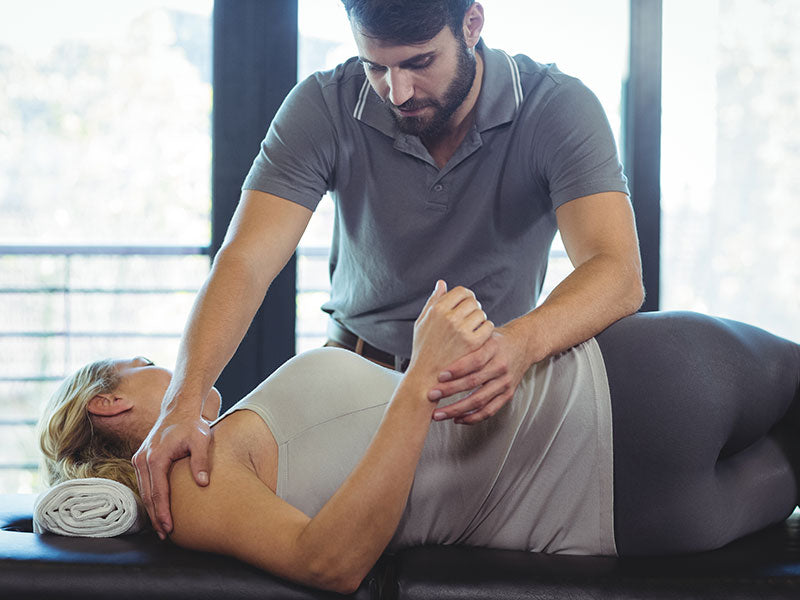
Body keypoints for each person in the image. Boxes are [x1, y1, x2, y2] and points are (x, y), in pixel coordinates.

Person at [134, 0, 646, 540]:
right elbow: (246, 259)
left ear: (471, 25)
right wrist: (182, 402)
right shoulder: (323, 103)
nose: (397, 92)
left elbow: (617, 271)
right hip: (354, 374)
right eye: (376, 66)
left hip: (488, 389)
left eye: (420, 63)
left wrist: (519, 344)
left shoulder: (556, 105)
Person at [41, 282, 800, 594]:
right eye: (145, 368)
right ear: (108, 406)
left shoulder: (221, 452)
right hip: (629, 397)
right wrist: (423, 372)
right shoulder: (182, 475)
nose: (166, 372)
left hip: (637, 521)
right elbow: (329, 563)